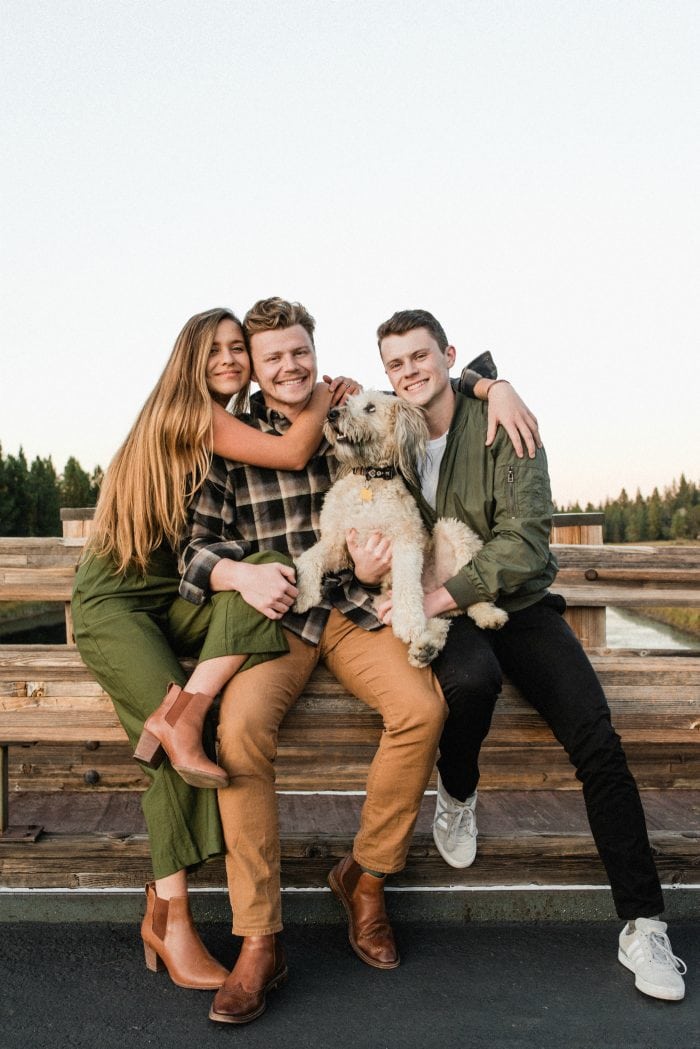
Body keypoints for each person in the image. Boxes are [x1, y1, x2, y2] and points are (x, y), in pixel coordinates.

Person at [177, 297, 541, 1025]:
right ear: (253, 361)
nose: (290, 365)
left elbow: (411, 443)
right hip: (273, 617)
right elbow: (195, 549)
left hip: (350, 610)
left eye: (299, 351)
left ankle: (366, 877)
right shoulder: (230, 437)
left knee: (423, 708)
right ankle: (259, 937)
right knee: (240, 730)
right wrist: (241, 574)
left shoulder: (350, 407)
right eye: (273, 355)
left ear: (315, 351)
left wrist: (489, 381)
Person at [375, 308, 687, 1003]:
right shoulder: (390, 435)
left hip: (513, 604)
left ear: (448, 354)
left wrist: (435, 597)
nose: (409, 372)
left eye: (420, 356)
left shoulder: (502, 423)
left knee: (597, 739)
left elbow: (526, 545)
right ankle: (457, 789)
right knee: (470, 683)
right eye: (395, 364)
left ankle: (642, 921)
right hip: (455, 621)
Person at [71, 306, 356, 990]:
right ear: (190, 361)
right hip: (117, 602)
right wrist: (322, 394)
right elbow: (291, 451)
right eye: (217, 350)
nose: (230, 359)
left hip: (172, 600)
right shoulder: (188, 413)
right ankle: (171, 920)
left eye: (238, 348)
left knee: (262, 569)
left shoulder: (223, 424)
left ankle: (186, 710)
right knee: (171, 754)